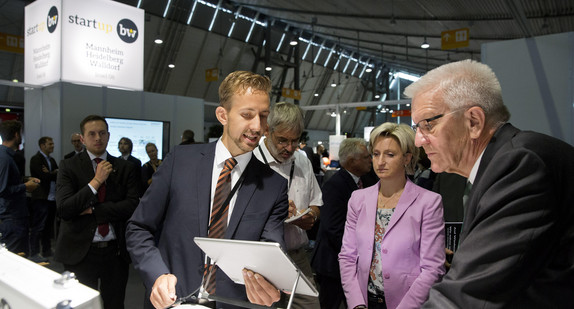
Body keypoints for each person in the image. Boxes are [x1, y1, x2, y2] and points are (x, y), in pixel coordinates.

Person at [404, 59, 574, 308]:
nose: (418, 140)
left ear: (474, 122)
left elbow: (468, 295)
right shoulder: (502, 164)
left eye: (428, 124)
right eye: (416, 127)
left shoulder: (520, 164)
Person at [126, 71, 288, 309]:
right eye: (247, 115)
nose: (257, 126)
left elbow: (271, 254)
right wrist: (157, 276)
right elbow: (139, 228)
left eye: (263, 116)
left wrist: (271, 287)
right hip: (172, 302)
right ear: (223, 115)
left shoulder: (273, 185)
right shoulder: (180, 162)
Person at [339, 122, 445, 309]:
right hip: (365, 300)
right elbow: (348, 256)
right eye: (376, 154)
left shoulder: (428, 202)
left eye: (390, 154)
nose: (380, 162)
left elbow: (433, 268)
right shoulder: (358, 198)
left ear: (406, 158)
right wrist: (356, 303)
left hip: (409, 302)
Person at [55, 115, 139, 308]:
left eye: (102, 133)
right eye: (91, 134)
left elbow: (133, 206)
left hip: (115, 252)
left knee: (115, 304)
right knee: (82, 305)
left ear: (108, 136)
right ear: (83, 139)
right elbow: (65, 209)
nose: (98, 138)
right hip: (80, 252)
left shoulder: (126, 167)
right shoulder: (68, 166)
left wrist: (93, 209)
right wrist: (96, 182)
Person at [253, 102, 322, 309]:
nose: (289, 148)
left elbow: (315, 203)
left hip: (297, 257)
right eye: (282, 140)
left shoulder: (302, 160)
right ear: (267, 130)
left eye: (295, 141)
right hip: (261, 261)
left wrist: (312, 217)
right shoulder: (251, 161)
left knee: (310, 305)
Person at [311, 137, 373, 309]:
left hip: (354, 261)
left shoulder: (368, 182)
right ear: (353, 161)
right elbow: (333, 228)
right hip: (333, 262)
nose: (371, 160)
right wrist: (359, 252)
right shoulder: (335, 185)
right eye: (367, 157)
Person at [0, 120, 40, 255]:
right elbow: (2, 190)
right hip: (13, 217)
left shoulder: (5, 156)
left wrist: (25, 181)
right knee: (17, 260)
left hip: (12, 216)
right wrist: (25, 186)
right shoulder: (5, 158)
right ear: (17, 135)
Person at [29, 136, 58, 262]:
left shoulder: (51, 160)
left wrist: (50, 174)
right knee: (38, 227)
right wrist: (52, 173)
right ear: (42, 146)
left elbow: (59, 175)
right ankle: (34, 252)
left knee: (48, 227)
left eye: (52, 144)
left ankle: (47, 251)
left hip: (51, 198)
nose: (52, 146)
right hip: (41, 198)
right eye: (49, 144)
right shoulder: (36, 159)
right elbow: (42, 177)